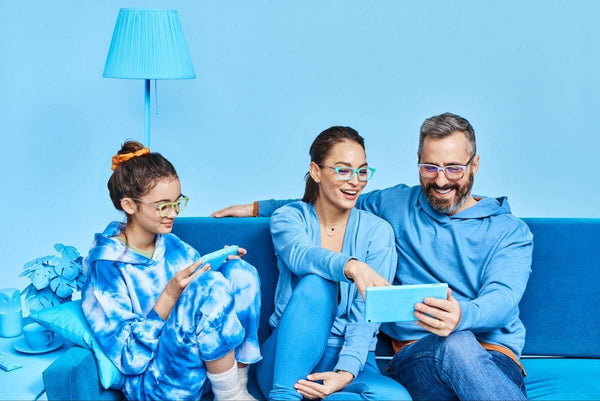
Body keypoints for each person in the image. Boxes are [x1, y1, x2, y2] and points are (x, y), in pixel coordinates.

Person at [212, 113, 533, 400]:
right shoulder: (395, 204)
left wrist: (460, 316)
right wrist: (258, 208)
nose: (440, 179)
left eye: (454, 168)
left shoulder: (509, 231)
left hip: (492, 355)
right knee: (455, 344)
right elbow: (331, 197)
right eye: (430, 167)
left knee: (459, 341)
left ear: (474, 165)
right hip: (417, 356)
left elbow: (503, 298)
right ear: (418, 162)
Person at [82, 141, 262, 401]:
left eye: (178, 202)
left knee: (240, 273)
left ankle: (236, 389)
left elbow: (203, 301)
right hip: (156, 385)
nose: (174, 213)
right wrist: (168, 297)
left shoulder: (170, 243)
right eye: (163, 205)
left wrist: (219, 263)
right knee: (209, 285)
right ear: (129, 205)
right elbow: (129, 357)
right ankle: (231, 396)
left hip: (198, 370)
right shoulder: (106, 266)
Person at [254, 126, 411, 400]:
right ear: (316, 172)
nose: (355, 182)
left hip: (349, 362)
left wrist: (345, 374)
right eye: (343, 170)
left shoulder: (377, 232)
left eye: (362, 171)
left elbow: (367, 314)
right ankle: (285, 396)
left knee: (396, 398)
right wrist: (351, 266)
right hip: (286, 360)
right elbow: (301, 255)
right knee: (318, 281)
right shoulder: (289, 218)